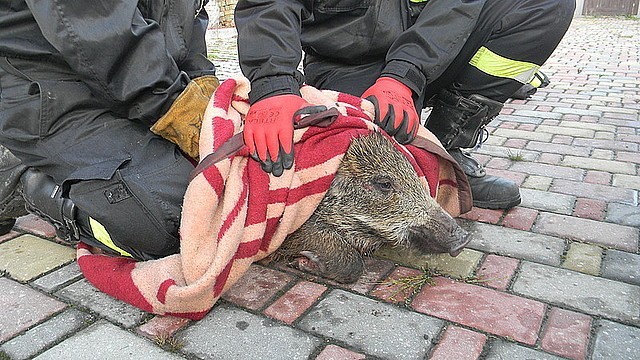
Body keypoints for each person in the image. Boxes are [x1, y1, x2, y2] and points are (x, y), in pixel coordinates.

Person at [234, 0, 576, 210]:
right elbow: (269, 4)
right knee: (352, 163)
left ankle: (445, 149)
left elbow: (457, 6)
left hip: (432, 55)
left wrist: (405, 74)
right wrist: (274, 85)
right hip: (346, 65)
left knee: (545, 3)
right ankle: (411, 155)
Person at [0, 0, 219, 260]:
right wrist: (176, 107)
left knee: (212, 198)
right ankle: (18, 175)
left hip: (133, 83)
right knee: (171, 216)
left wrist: (205, 91)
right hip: (46, 85)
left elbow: (188, 19)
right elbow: (98, 26)